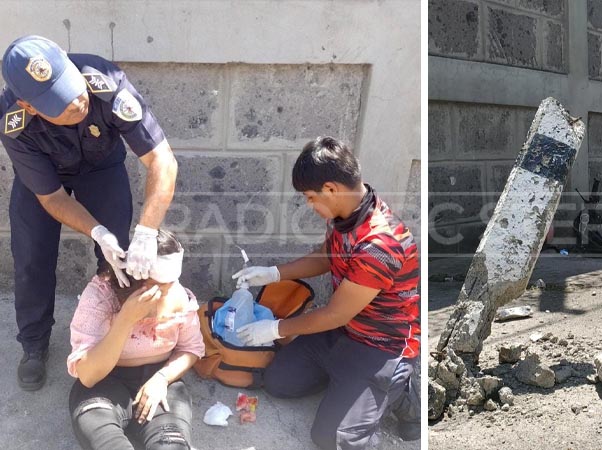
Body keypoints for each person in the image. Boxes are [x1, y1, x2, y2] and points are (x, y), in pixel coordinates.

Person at [0, 35, 177, 390]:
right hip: (44, 181)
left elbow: (161, 159)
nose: (77, 102)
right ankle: (33, 345)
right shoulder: (13, 120)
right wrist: (96, 231)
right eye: (60, 104)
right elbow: (51, 199)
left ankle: (115, 333)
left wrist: (145, 231)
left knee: (119, 257)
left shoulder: (104, 81)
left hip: (101, 168)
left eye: (73, 88)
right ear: (29, 106)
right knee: (32, 257)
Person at [232, 137, 421, 449]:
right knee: (278, 381)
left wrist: (275, 328)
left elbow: (335, 313)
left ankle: (402, 391)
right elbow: (326, 256)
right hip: (344, 334)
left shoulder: (380, 246)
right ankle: (350, 385)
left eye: (310, 197)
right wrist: (274, 273)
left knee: (334, 439)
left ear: (331, 189)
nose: (309, 204)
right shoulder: (345, 214)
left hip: (381, 346)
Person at [67, 230, 203, 450]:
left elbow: (191, 348)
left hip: (157, 380)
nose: (165, 295)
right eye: (156, 288)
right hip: (105, 380)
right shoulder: (101, 295)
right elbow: (88, 375)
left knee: (171, 443)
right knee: (102, 437)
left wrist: (162, 378)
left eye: (170, 286)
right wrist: (126, 320)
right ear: (131, 280)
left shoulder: (179, 297)